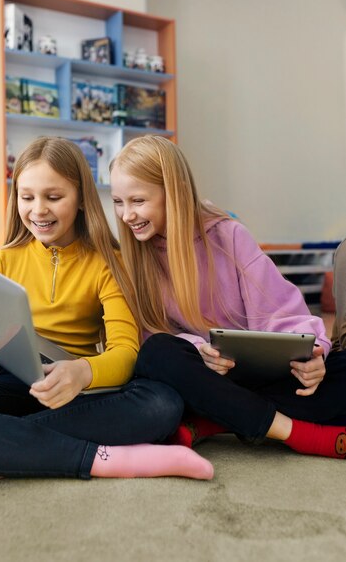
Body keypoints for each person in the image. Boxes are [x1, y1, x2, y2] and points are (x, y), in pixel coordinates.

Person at [0, 136, 214, 480]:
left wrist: (81, 373)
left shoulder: (109, 262)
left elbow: (126, 352)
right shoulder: (3, 260)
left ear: (80, 199)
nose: (38, 210)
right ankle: (104, 460)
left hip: (80, 387)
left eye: (53, 197)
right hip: (15, 384)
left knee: (162, 404)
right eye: (27, 196)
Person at [109, 134, 346, 459]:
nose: (126, 215)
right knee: (156, 353)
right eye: (118, 202)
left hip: (251, 377)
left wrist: (313, 356)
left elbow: (282, 311)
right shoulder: (131, 258)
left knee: (341, 368)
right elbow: (147, 335)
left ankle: (213, 420)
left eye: (137, 201)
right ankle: (294, 432)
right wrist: (200, 350)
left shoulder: (228, 235)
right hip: (199, 373)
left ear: (173, 193)